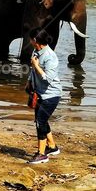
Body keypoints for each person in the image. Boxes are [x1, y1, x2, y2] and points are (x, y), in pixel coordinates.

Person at [26, 29, 62, 164]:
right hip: (40, 93)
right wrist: (29, 82)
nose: (29, 41)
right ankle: (52, 147)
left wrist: (36, 65)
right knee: (41, 120)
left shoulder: (50, 56)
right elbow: (32, 70)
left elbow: (48, 78)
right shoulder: (35, 52)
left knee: (40, 122)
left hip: (51, 95)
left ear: (35, 40)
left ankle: (41, 154)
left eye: (31, 39)